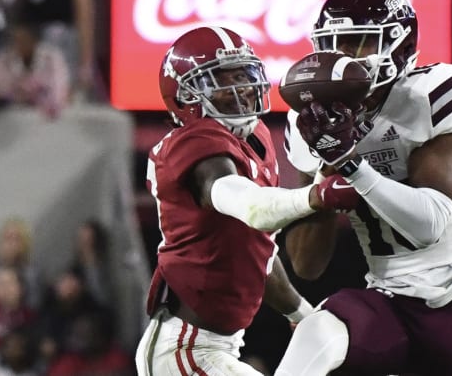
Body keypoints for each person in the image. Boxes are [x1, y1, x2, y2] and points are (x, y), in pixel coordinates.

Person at [275, 0, 452, 376]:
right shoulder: (307, 121)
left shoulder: (430, 93)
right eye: (333, 45)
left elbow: (429, 224)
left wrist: (351, 161)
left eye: (359, 44)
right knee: (317, 329)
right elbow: (307, 264)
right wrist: (326, 166)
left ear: (399, 44)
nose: (344, 58)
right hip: (387, 297)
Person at [134, 26, 359, 376]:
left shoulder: (256, 136)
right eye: (221, 81)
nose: (239, 89)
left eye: (243, 76)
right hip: (186, 350)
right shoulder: (196, 143)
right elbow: (254, 210)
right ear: (186, 97)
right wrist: (317, 195)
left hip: (214, 346)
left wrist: (300, 314)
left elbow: (257, 251)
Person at [0, 20, 71, 118]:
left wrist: (42, 95)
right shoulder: (3, 60)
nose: (20, 44)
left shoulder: (51, 56)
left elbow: (60, 87)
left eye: (24, 40)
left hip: (45, 112)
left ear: (34, 40)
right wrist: (19, 89)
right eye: (16, 40)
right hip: (13, 113)